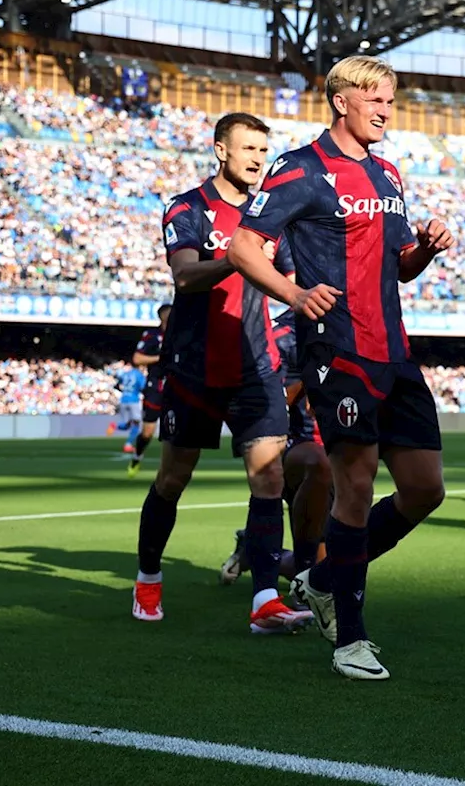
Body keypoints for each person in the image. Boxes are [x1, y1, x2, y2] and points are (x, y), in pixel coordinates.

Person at [229, 56, 454, 681]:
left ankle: (323, 579)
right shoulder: (300, 168)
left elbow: (399, 264)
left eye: (391, 99)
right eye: (375, 98)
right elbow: (245, 245)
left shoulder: (388, 172)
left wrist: (425, 250)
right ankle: (350, 638)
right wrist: (294, 294)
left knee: (425, 489)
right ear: (341, 102)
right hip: (338, 348)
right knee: (354, 484)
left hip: (395, 351)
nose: (386, 109)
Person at [132, 112, 312, 635]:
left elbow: (293, 280)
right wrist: (240, 257)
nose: (258, 158)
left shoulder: (273, 216)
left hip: (257, 364)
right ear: (220, 151)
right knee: (173, 478)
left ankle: (264, 601)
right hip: (194, 365)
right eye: (248, 148)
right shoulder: (186, 207)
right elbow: (186, 275)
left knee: (269, 476)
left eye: (263, 149)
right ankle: (147, 576)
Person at [219, 303, 331, 592]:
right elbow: (267, 404)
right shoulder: (283, 335)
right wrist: (309, 384)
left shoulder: (358, 326)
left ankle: (253, 549)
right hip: (296, 446)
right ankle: (303, 576)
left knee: (337, 567)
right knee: (318, 463)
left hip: (341, 451)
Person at [128, 303, 171, 477]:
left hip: (176, 387)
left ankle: (169, 470)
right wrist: (160, 357)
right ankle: (137, 455)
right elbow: (137, 358)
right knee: (147, 433)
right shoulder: (152, 335)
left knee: (172, 432)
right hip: (155, 387)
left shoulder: (182, 334)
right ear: (161, 317)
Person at [107, 364, 146, 451]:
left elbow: (117, 384)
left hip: (123, 400)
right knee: (136, 424)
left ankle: (114, 426)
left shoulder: (125, 374)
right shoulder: (139, 374)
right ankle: (128, 445)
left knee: (127, 424)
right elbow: (144, 387)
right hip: (133, 400)